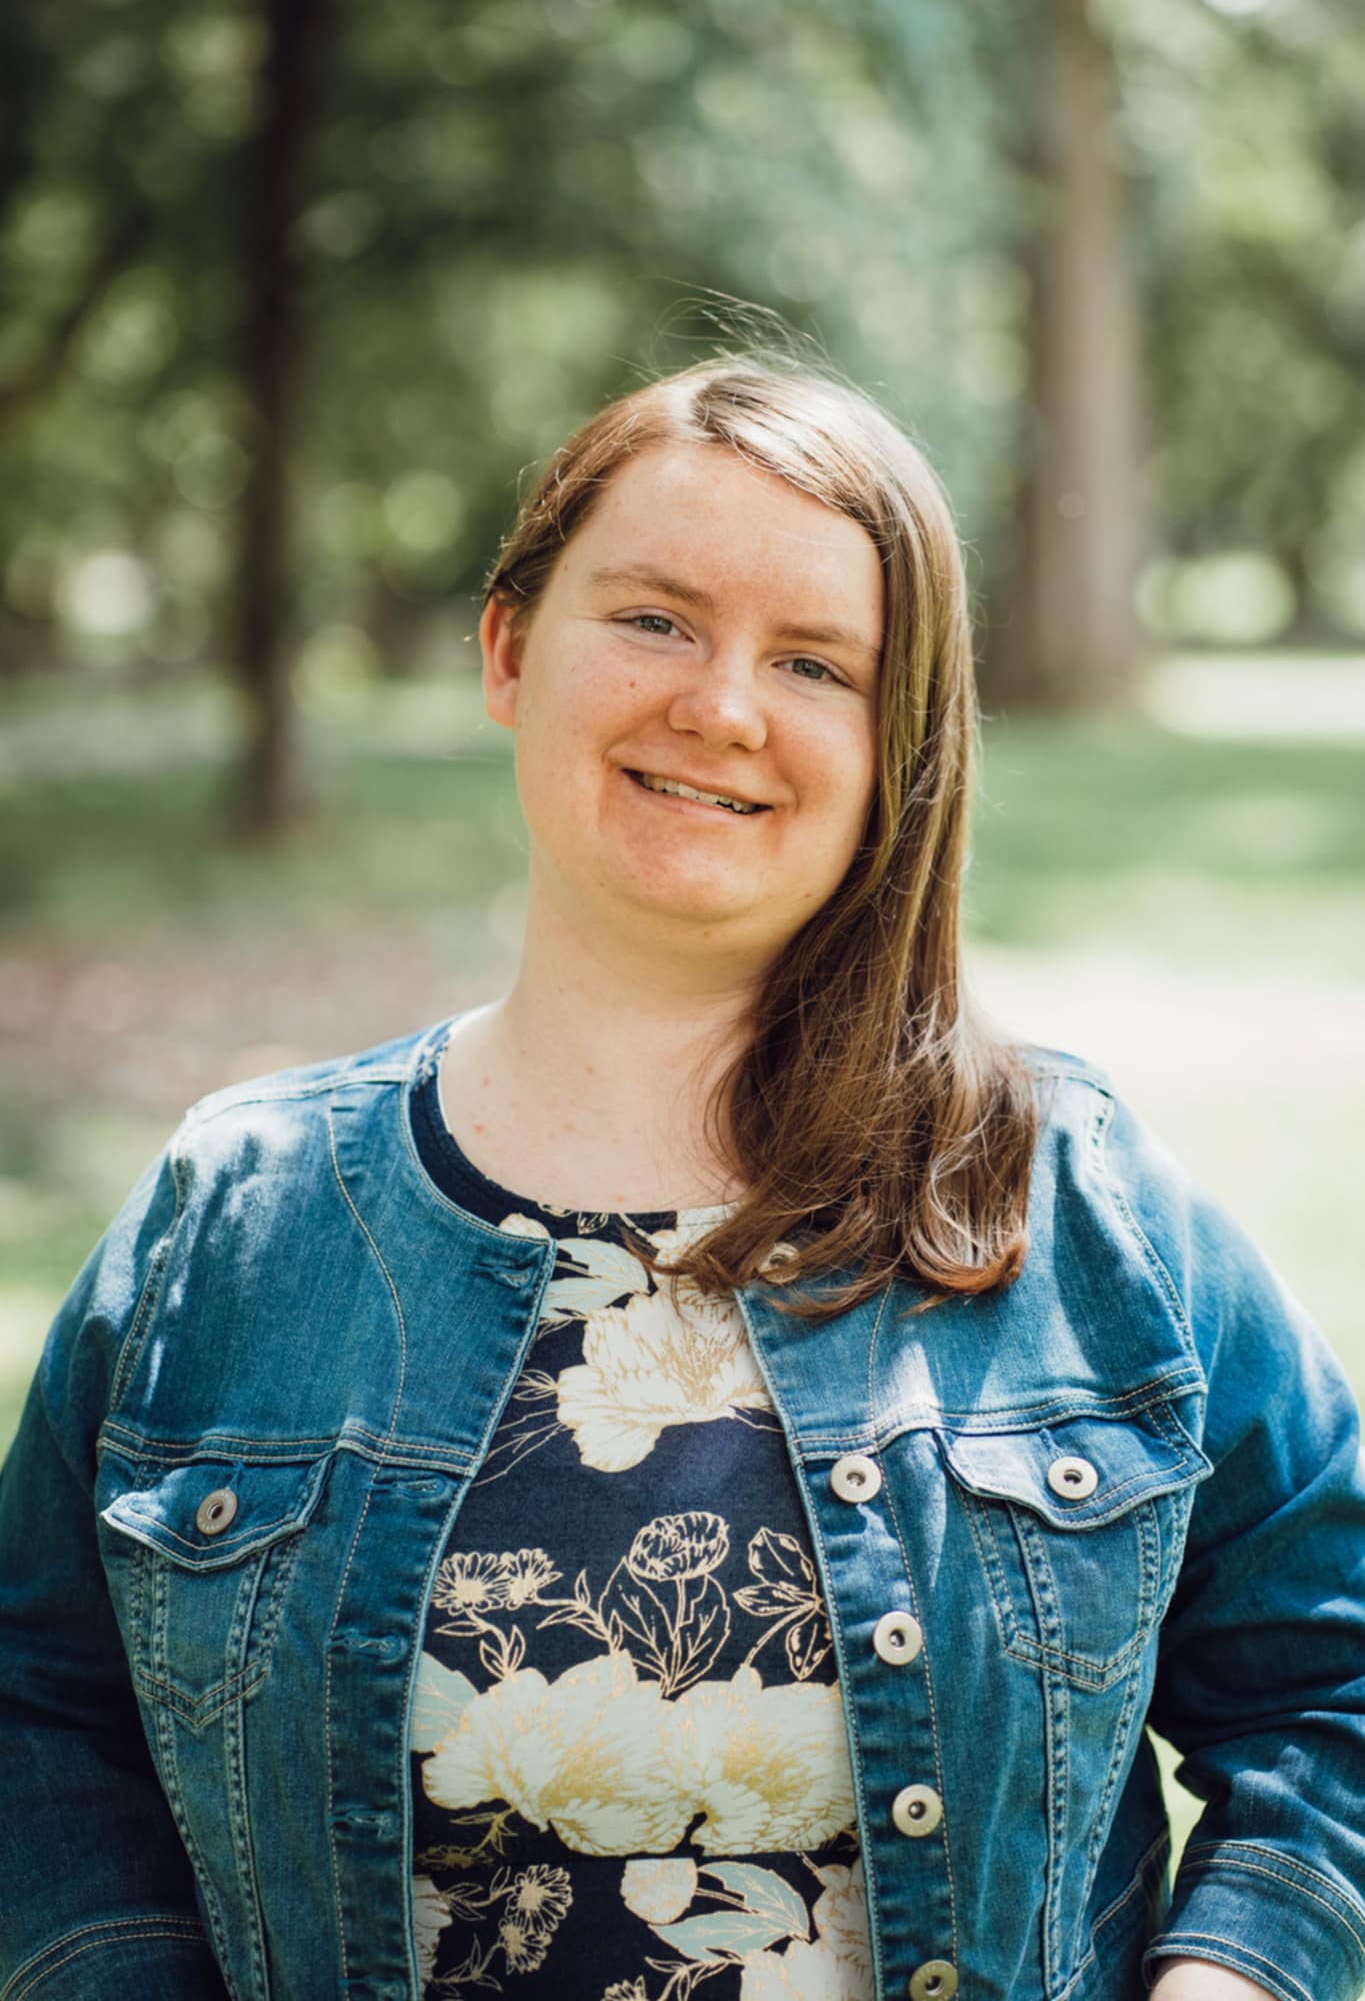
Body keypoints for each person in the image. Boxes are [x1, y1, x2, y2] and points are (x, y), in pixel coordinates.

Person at [1, 352, 1363, 2001]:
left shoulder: (1074, 1206)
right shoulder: (236, 1218)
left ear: (897, 750)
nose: (721, 705)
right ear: (507, 651)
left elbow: (1328, 1682)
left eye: (814, 662)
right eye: (652, 619)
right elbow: (43, 1715)